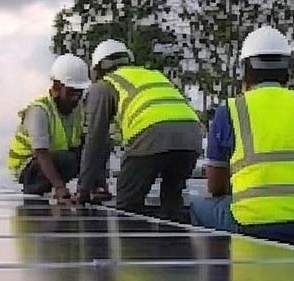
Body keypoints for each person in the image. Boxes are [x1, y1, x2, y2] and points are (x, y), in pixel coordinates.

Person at [187, 26, 294, 242]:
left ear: (245, 70)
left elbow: (215, 188)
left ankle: (222, 273)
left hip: (254, 225)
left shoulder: (230, 111)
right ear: (287, 69)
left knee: (196, 205)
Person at [78, 38, 204, 219]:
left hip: (151, 136)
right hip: (191, 137)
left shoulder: (105, 85)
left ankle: (139, 247)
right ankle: (177, 243)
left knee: (127, 205)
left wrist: (84, 189)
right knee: (172, 203)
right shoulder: (153, 75)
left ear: (98, 68)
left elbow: (95, 139)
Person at [8, 55, 90, 205]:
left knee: (89, 154)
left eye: (80, 93)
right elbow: (40, 153)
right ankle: (36, 189)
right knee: (67, 160)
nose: (76, 98)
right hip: (27, 166)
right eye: (72, 92)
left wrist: (91, 186)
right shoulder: (40, 110)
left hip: (55, 159)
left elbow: (84, 146)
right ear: (57, 87)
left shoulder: (78, 110)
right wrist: (60, 188)